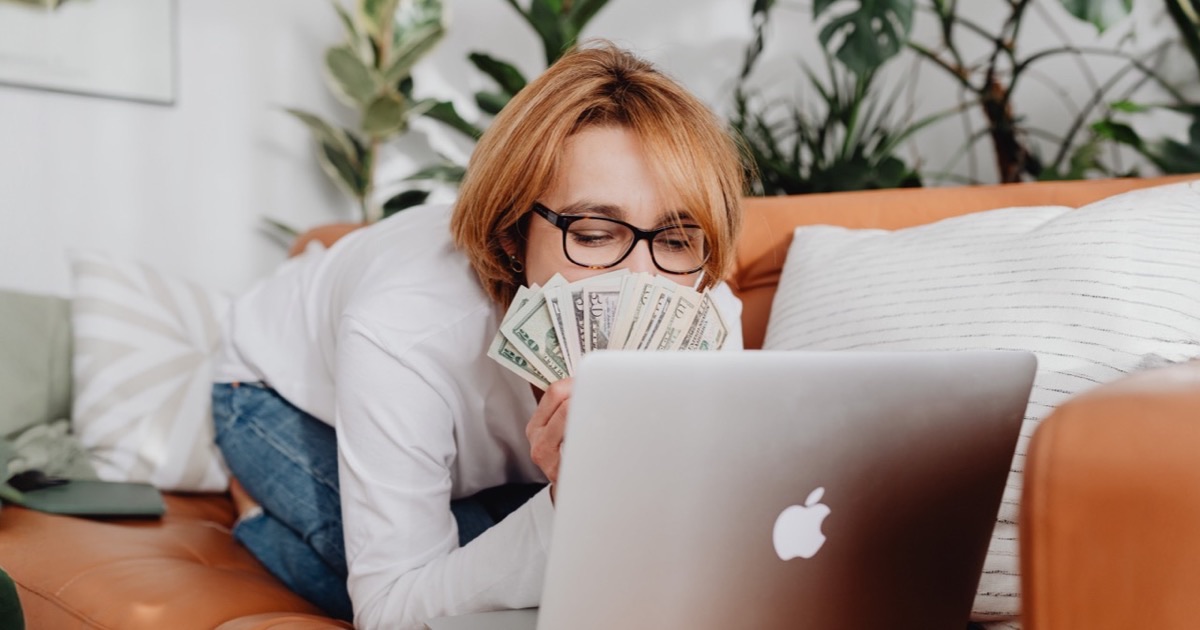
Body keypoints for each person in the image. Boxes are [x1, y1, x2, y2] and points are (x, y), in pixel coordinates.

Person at [211, 41, 747, 629]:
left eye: (674, 239)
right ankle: (258, 518)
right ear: (512, 237)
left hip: (480, 464)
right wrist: (571, 507)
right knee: (512, 579)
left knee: (542, 567)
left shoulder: (699, 309)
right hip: (269, 393)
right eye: (594, 234)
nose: (641, 281)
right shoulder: (402, 328)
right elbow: (389, 610)